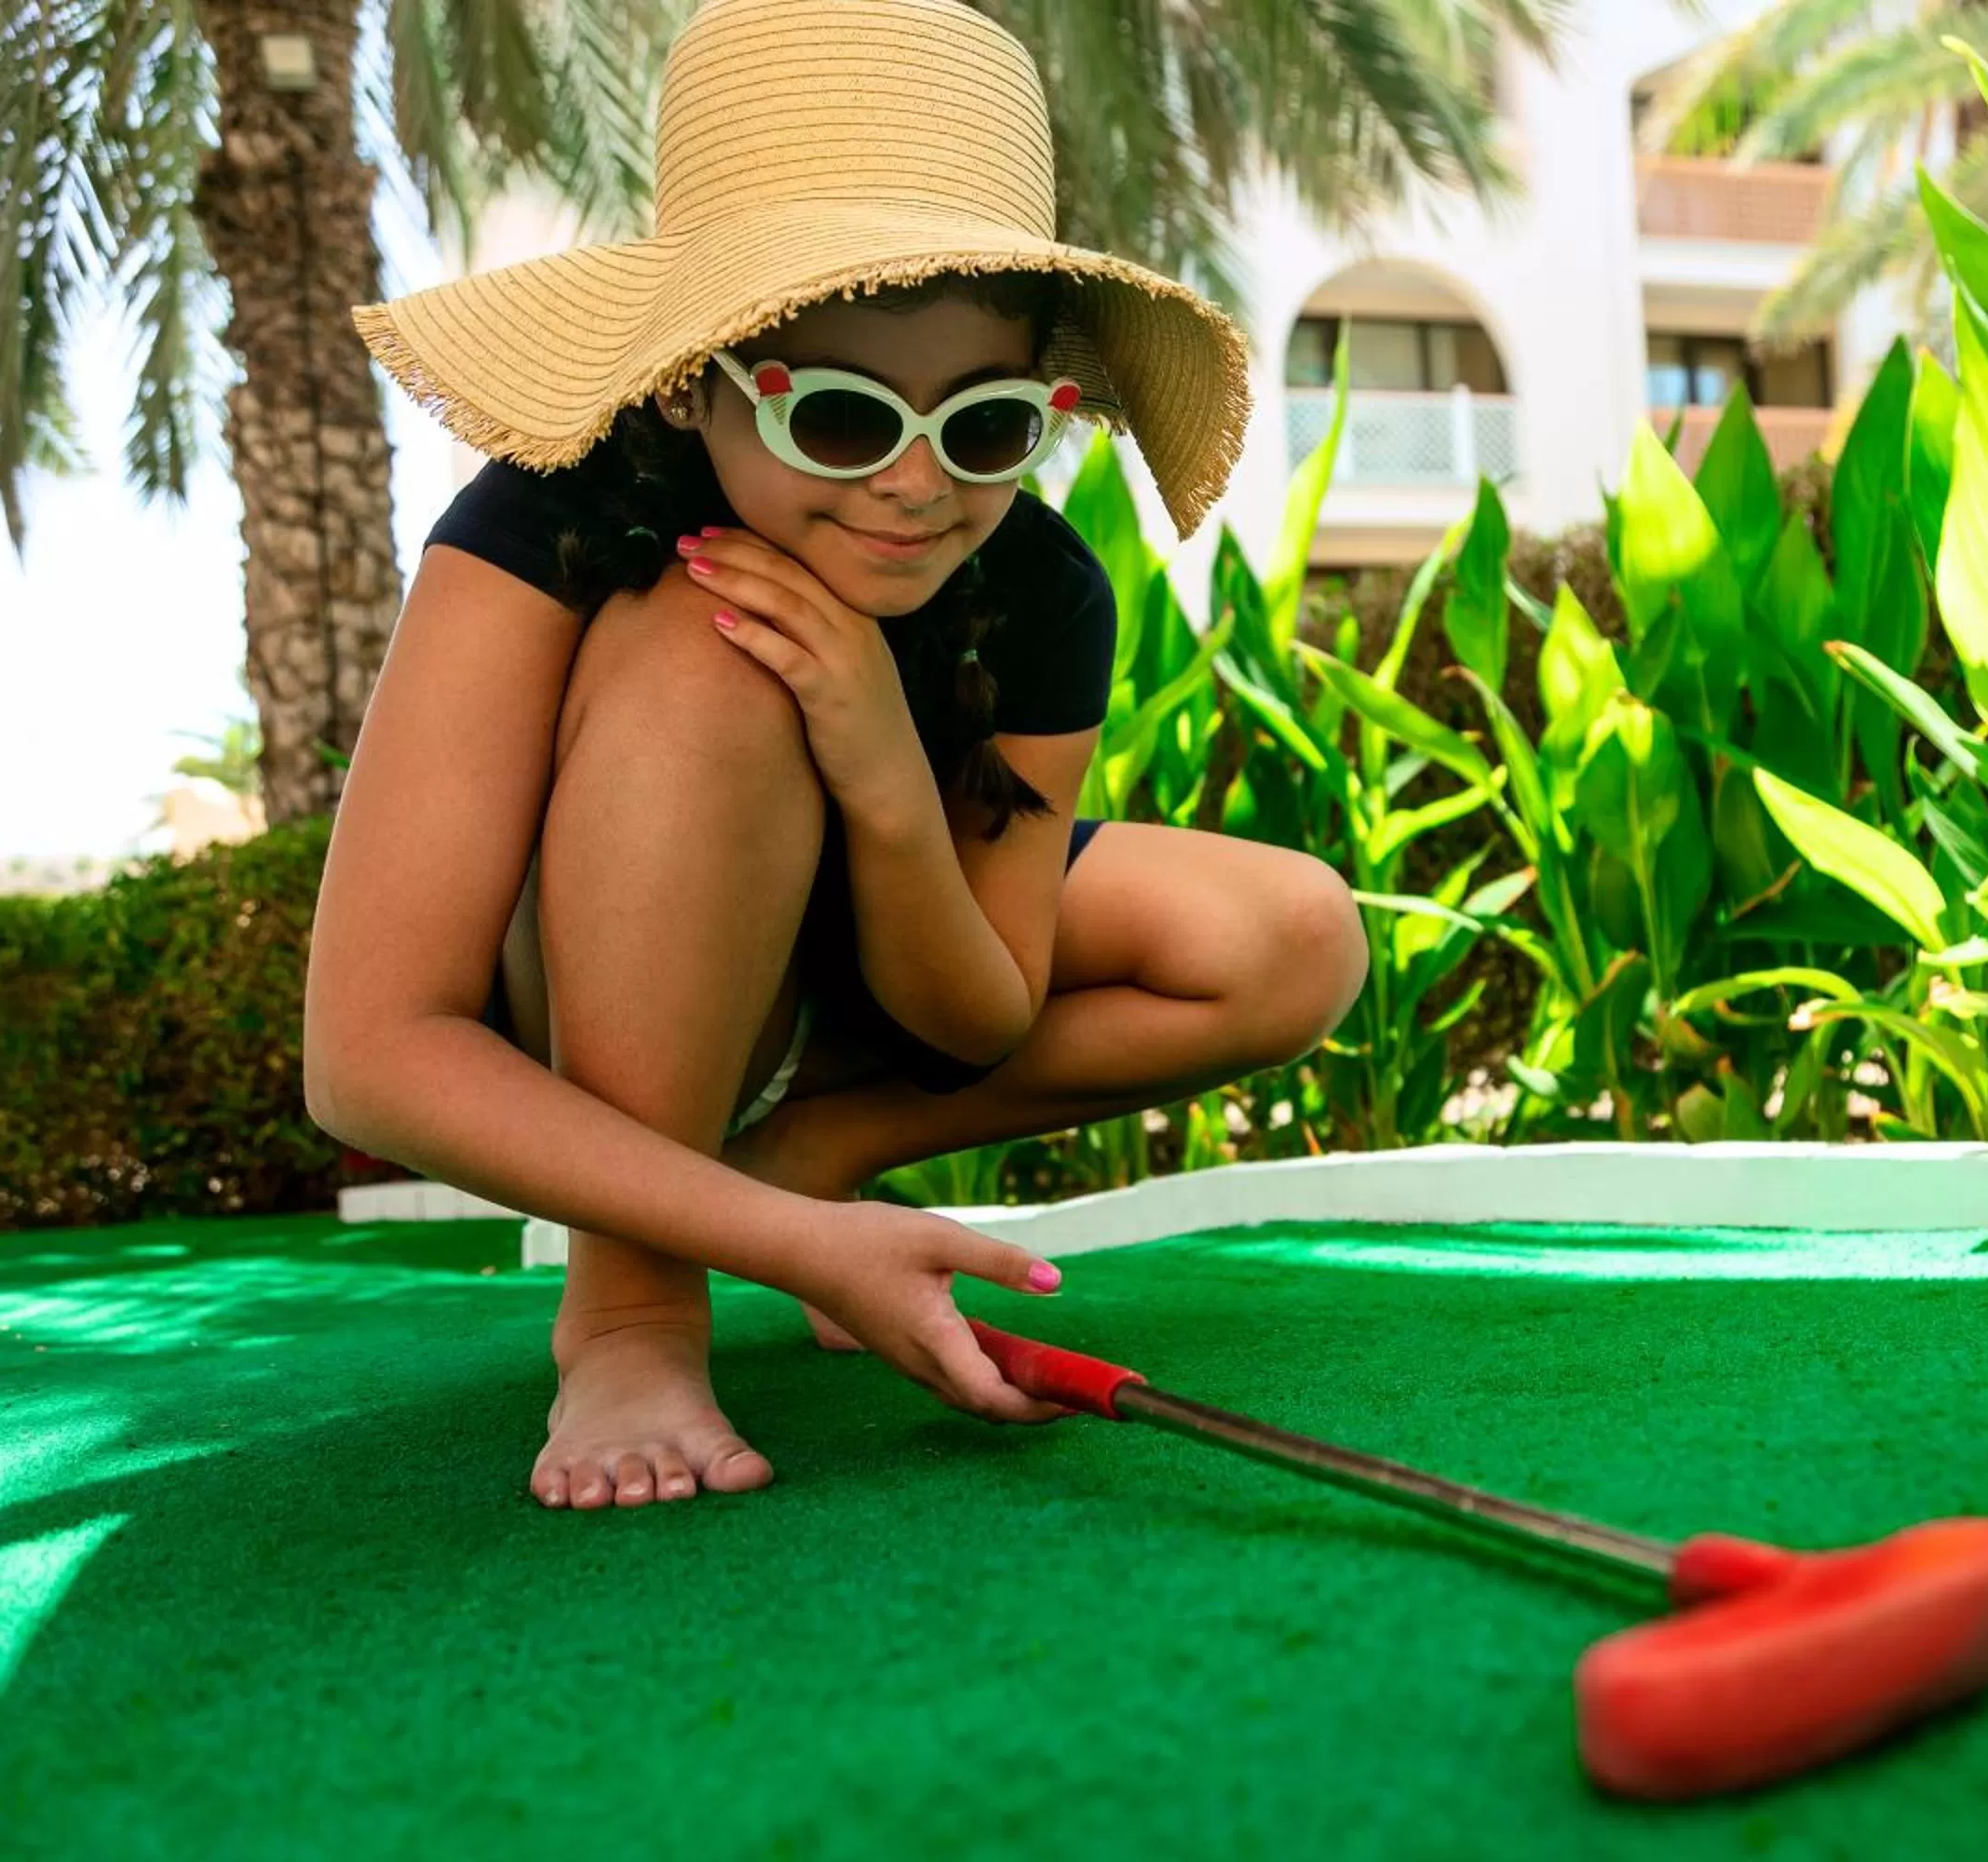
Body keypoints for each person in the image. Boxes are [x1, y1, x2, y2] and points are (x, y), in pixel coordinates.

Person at [306, 0, 1368, 1511]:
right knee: (708, 651)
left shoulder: (1044, 592)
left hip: (874, 955)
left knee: (1293, 934)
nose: (917, 488)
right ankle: (629, 1307)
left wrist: (883, 773)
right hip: (606, 973)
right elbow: (366, 1052)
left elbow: (976, 1017)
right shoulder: (542, 514)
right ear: (697, 378)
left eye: (987, 426)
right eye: (845, 416)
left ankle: (800, 1153)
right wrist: (812, 1264)